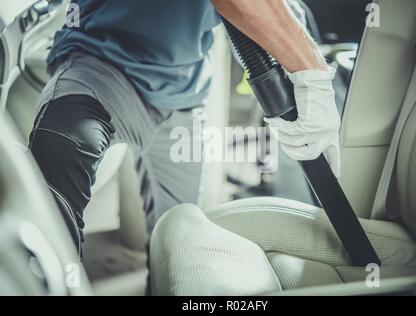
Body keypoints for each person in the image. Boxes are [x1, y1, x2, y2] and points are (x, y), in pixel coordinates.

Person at [30, 0, 340, 265]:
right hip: (100, 68)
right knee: (61, 150)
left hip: (182, 93)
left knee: (178, 235)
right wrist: (311, 71)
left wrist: (301, 55)